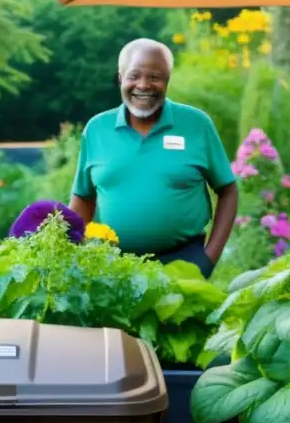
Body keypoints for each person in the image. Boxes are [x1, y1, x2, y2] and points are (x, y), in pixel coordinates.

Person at [68, 38, 238, 278]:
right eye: (134, 76)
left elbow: (228, 189)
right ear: (120, 78)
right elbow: (83, 199)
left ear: (167, 80)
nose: (143, 85)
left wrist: (208, 259)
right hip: (112, 267)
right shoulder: (97, 129)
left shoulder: (196, 124)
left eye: (155, 77)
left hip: (183, 263)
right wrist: (70, 257)